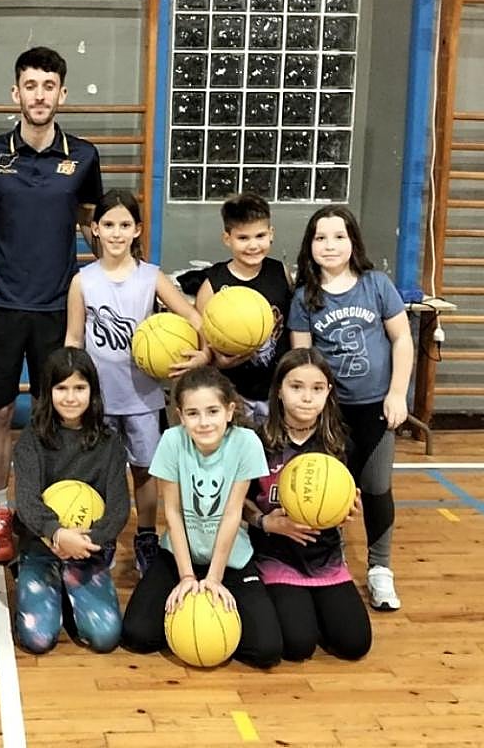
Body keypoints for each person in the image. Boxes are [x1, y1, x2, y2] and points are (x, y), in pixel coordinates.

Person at [0, 46, 103, 562]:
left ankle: (56, 512)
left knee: (55, 414)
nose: (39, 96)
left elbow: (94, 227)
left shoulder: (83, 156)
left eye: (48, 86)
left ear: (62, 93)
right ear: (15, 92)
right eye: (30, 86)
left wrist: (133, 279)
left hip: (58, 309)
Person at [64, 189, 202, 575]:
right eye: (108, 225)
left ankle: (144, 534)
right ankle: (105, 534)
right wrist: (72, 388)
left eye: (125, 225)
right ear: (94, 229)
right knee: (101, 471)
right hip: (99, 399)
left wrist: (200, 354)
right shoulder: (83, 281)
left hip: (143, 396)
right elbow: (74, 339)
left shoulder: (151, 277)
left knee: (145, 469)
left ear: (137, 229)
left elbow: (193, 318)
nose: (116, 233)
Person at [289, 204, 413, 611]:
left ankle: (380, 570)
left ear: (353, 241)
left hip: (376, 409)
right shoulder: (305, 297)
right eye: (320, 237)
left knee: (376, 489)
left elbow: (402, 341)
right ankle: (333, 560)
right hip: (331, 415)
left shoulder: (377, 285)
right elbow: (301, 361)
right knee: (330, 492)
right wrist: (306, 409)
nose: (329, 245)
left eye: (338, 236)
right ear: (309, 245)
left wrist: (397, 393)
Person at [119, 367, 282, 668]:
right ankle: (184, 624)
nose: (204, 422)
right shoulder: (171, 441)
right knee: (137, 636)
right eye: (193, 413)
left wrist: (215, 579)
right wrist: (187, 577)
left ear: (230, 411)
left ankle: (217, 626)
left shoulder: (246, 443)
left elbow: (234, 513)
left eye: (212, 411)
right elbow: (173, 513)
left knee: (266, 651)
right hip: (179, 556)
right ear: (181, 416)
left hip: (230, 557)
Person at [245, 347, 371, 661]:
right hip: (276, 555)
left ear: (328, 392)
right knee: (297, 645)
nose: (307, 397)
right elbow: (241, 502)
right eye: (296, 386)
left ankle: (318, 607)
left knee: (355, 645)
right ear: (279, 390)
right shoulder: (257, 441)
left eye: (317, 389)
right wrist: (266, 522)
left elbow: (350, 500)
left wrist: (348, 510)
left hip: (324, 556)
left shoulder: (340, 443)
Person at [12, 347, 129, 654]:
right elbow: (26, 501)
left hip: (87, 551)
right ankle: (34, 574)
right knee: (37, 640)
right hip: (42, 547)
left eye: (80, 388)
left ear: (93, 391)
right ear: (47, 392)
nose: (71, 397)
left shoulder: (109, 443)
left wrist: (88, 542)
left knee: (105, 639)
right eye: (61, 388)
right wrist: (58, 533)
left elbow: (117, 509)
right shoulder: (31, 440)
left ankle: (69, 591)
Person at [183, 193, 292, 426]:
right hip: (234, 392)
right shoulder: (213, 284)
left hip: (276, 390)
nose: (253, 245)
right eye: (243, 238)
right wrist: (218, 361)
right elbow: (204, 345)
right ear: (227, 238)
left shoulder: (280, 272)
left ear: (271, 234)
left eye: (260, 236)